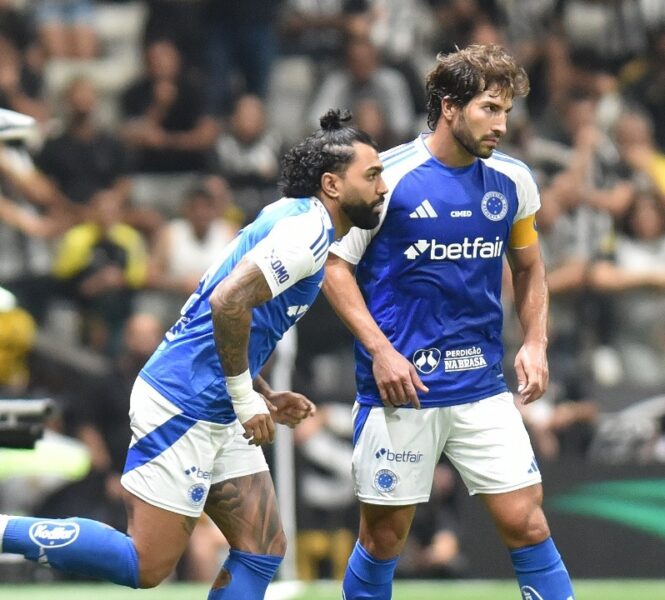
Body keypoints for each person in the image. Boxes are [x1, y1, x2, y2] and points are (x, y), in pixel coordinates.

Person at [0, 108, 387, 599]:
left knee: (262, 546)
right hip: (184, 402)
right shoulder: (305, 234)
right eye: (372, 175)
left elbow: (228, 317)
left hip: (216, 401)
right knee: (144, 564)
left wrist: (261, 393)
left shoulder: (296, 218)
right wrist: (245, 397)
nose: (382, 187)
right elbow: (227, 302)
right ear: (332, 184)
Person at [323, 45, 576, 600]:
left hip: (481, 385)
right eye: (490, 108)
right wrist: (381, 351)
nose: (501, 125)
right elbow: (334, 268)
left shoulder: (513, 180)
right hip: (401, 390)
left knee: (527, 521)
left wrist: (535, 341)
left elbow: (529, 267)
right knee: (383, 538)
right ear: (449, 107)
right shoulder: (387, 177)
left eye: (506, 111)